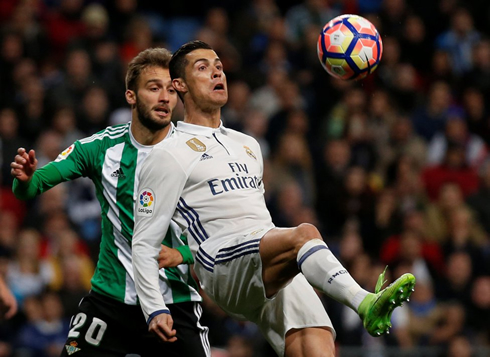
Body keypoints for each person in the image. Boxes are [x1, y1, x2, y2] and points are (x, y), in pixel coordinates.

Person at [132, 40, 416, 357]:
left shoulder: (248, 145)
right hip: (221, 262)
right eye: (203, 68)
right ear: (179, 85)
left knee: (316, 343)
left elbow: (255, 216)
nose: (216, 73)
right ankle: (365, 302)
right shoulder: (167, 153)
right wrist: (153, 306)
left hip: (265, 257)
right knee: (304, 233)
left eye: (219, 67)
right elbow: (144, 242)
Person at [10, 48, 210, 357]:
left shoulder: (197, 152)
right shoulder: (101, 147)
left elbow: (219, 229)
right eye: (154, 88)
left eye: (171, 90)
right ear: (131, 96)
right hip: (110, 301)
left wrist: (182, 254)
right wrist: (24, 179)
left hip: (175, 301)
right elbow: (33, 186)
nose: (165, 98)